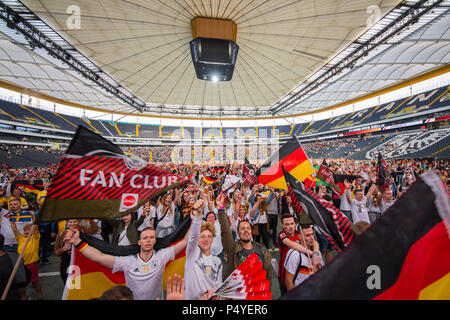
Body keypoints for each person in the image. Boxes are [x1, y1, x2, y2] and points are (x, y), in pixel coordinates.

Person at [63, 224, 191, 300]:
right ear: (139, 242)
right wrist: (78, 242)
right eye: (145, 238)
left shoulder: (162, 256)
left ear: (155, 241)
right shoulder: (128, 261)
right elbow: (98, 257)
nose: (148, 240)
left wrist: (196, 218)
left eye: (151, 237)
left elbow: (185, 242)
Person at [217, 194, 272, 287]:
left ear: (251, 231)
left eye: (248, 228)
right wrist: (221, 208)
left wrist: (267, 288)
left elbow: (268, 274)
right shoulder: (233, 250)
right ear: (238, 233)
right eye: (242, 228)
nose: (246, 230)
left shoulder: (262, 249)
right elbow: (226, 230)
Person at [184, 199, 222, 300]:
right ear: (198, 239)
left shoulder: (217, 261)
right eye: (202, 236)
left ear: (212, 239)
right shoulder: (192, 254)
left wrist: (214, 295)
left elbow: (218, 286)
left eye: (209, 236)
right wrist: (199, 215)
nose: (206, 239)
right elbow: (193, 235)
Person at [277, 214, 321, 294]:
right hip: (284, 273)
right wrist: (312, 253)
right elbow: (291, 244)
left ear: (295, 224)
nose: (290, 226)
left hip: (299, 270)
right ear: (282, 226)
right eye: (287, 224)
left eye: (292, 223)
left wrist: (316, 253)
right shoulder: (282, 235)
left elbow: (315, 242)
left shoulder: (299, 233)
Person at [10, 218, 44, 299]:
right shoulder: (21, 238)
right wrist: (12, 221)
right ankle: (23, 297)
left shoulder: (35, 238)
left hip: (32, 263)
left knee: (35, 280)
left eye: (29, 229)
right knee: (21, 282)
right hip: (21, 264)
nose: (26, 231)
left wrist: (33, 217)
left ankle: (40, 295)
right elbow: (15, 230)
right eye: (25, 230)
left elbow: (35, 227)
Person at [284, 225, 325, 291]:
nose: (311, 238)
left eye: (312, 234)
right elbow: (288, 280)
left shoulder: (317, 253)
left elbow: (323, 275)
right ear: (300, 237)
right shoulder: (294, 254)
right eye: (307, 235)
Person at [54, 219, 80, 284]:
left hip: (79, 265)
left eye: (75, 221)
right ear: (67, 223)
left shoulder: (82, 232)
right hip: (66, 265)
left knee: (79, 287)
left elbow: (93, 229)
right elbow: (56, 253)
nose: (72, 224)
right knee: (68, 286)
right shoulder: (61, 235)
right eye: (70, 222)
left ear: (78, 222)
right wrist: (64, 249)